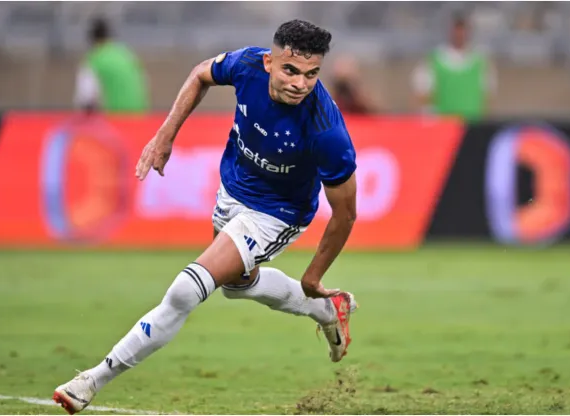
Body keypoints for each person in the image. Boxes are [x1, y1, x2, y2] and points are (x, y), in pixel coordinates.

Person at [53, 19, 359, 415]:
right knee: (238, 285)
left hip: (277, 213)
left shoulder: (326, 131)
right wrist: (165, 135)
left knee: (185, 290)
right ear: (270, 62)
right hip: (232, 190)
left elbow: (346, 213)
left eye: (312, 74)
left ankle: (91, 380)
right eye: (291, 70)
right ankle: (324, 309)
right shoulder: (247, 65)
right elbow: (200, 74)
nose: (301, 83)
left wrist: (313, 275)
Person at [411, 14, 497, 121]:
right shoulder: (434, 60)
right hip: (445, 127)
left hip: (473, 127)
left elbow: (487, 97)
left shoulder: (480, 61)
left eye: (462, 30)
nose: (459, 35)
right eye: (456, 30)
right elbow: (421, 95)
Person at [74, 17, 149, 113]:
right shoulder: (126, 54)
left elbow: (85, 98)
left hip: (114, 120)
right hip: (141, 119)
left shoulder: (94, 59)